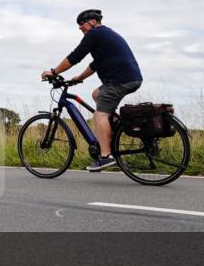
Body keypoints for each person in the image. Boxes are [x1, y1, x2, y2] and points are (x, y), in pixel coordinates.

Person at [41, 9, 142, 171]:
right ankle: (115, 128)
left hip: (120, 80)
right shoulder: (106, 35)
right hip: (130, 78)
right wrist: (80, 77)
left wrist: (53, 72)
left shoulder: (95, 33)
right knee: (96, 94)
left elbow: (75, 56)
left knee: (99, 115)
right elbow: (96, 64)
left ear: (93, 22)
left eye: (82, 24)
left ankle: (105, 157)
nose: (80, 27)